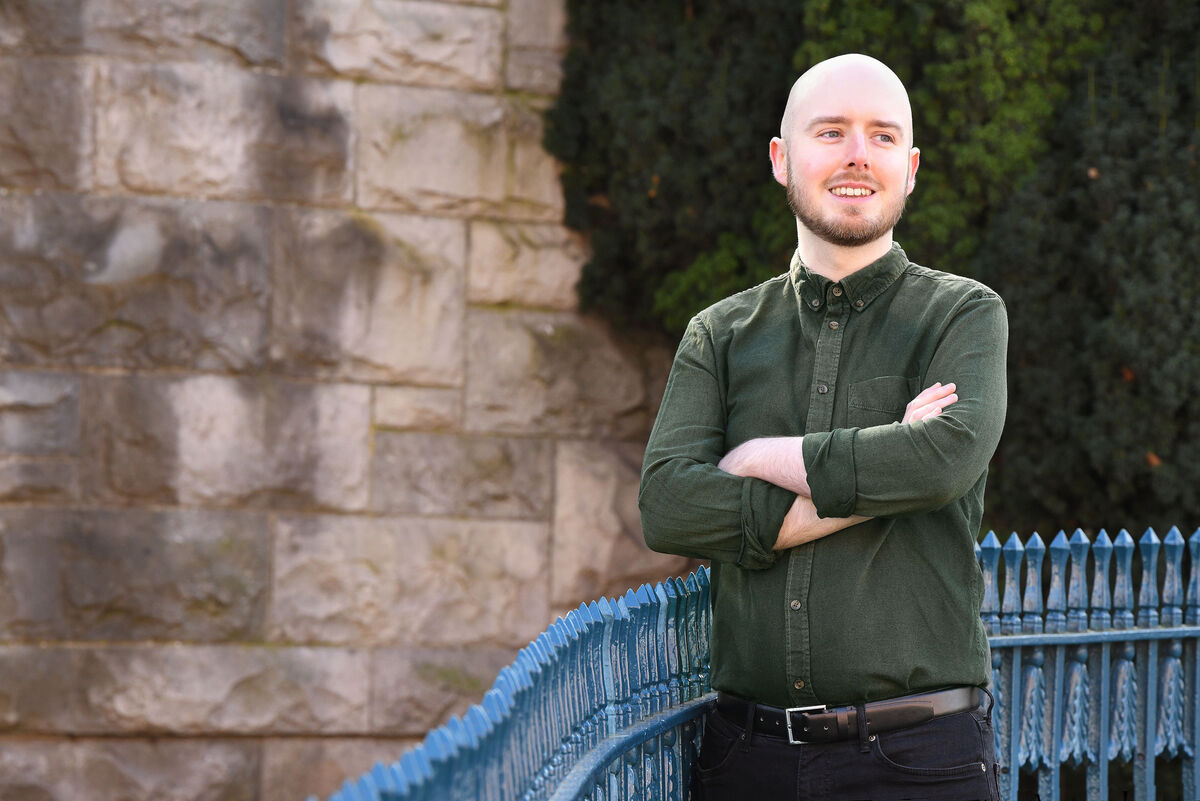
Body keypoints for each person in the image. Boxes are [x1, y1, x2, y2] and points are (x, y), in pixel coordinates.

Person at [638, 53, 1007, 801]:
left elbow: (942, 462)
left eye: (880, 136)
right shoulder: (720, 334)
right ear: (782, 159)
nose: (856, 155)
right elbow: (668, 504)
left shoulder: (964, 315)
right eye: (831, 132)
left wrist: (755, 456)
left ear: (909, 167)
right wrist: (884, 464)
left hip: (920, 759)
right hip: (748, 759)